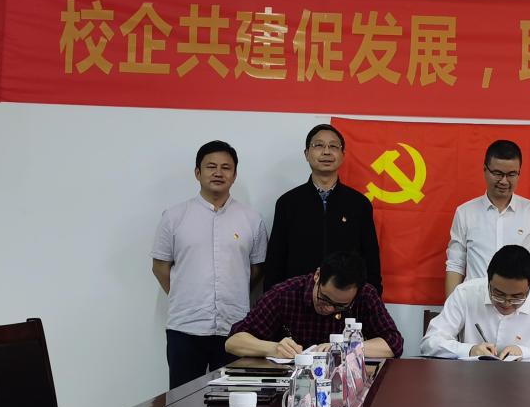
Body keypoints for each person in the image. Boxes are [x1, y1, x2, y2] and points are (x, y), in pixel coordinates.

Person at [151, 140, 268, 388]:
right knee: (182, 400)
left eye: (226, 167)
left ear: (234, 175)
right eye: (211, 166)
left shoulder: (251, 219)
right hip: (185, 327)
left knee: (233, 399)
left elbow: (256, 269)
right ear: (197, 173)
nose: (218, 173)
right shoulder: (174, 217)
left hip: (235, 328)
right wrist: (184, 294)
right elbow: (160, 266)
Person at [263, 123, 382, 293]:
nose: (326, 152)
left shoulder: (359, 204)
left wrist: (372, 297)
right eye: (318, 145)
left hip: (346, 299)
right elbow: (275, 261)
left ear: (342, 155)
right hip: (297, 299)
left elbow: (370, 260)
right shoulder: (288, 203)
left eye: (333, 146)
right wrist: (272, 299)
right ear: (306, 154)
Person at [226, 251, 403, 359]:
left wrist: (345, 348)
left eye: (340, 306)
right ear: (317, 276)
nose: (329, 308)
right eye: (324, 298)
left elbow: (393, 343)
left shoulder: (365, 295)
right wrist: (274, 348)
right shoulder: (284, 294)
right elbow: (233, 342)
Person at [445, 139, 530, 299]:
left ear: (519, 173)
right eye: (497, 173)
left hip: (518, 303)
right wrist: (451, 307)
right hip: (475, 302)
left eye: (511, 174)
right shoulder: (465, 212)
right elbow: (456, 264)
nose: (504, 181)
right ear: (485, 170)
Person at [422, 246, 530, 361]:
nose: (506, 303)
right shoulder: (465, 293)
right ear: (488, 280)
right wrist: (470, 350)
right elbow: (430, 343)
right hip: (470, 378)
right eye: (498, 294)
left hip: (524, 381)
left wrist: (524, 353)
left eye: (517, 297)